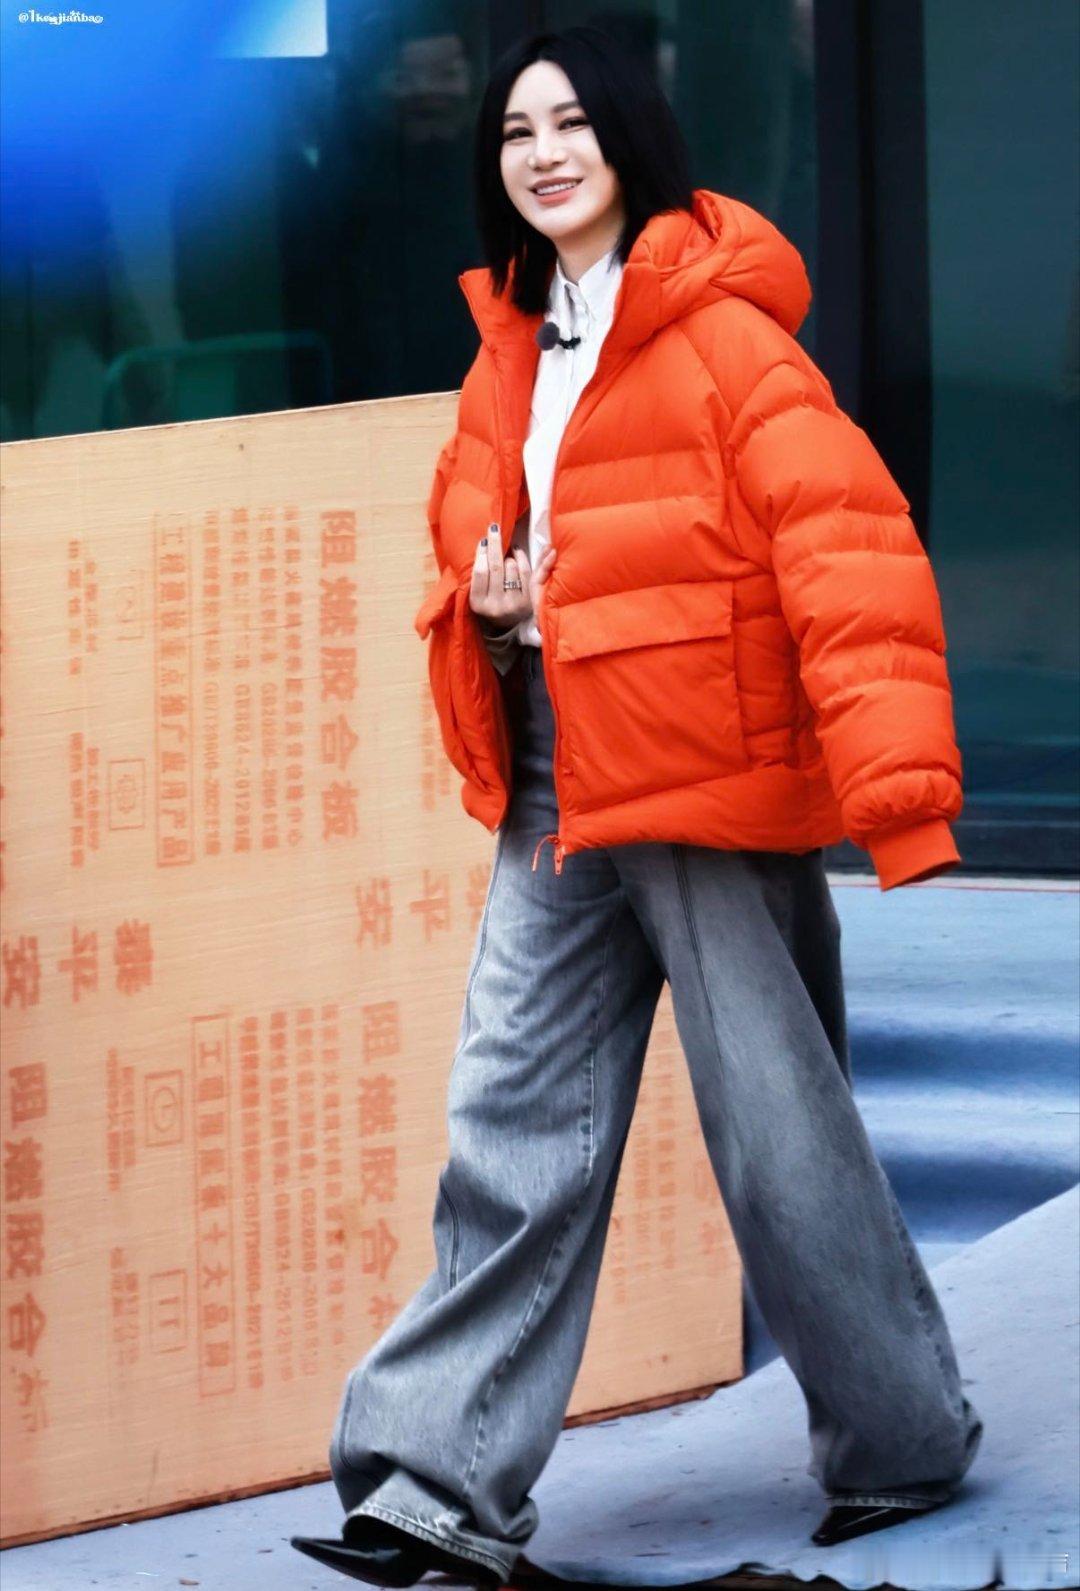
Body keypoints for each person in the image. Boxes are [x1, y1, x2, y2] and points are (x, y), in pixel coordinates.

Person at [292, 24, 984, 1589]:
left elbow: (851, 554)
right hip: (560, 774)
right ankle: (431, 1482)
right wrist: (488, 604)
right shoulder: (510, 347)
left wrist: (900, 804)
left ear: (629, 140)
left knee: (780, 1138)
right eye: (515, 133)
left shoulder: (726, 336)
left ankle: (901, 1439)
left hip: (705, 776)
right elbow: (481, 541)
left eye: (571, 125)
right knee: (509, 1122)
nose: (543, 155)